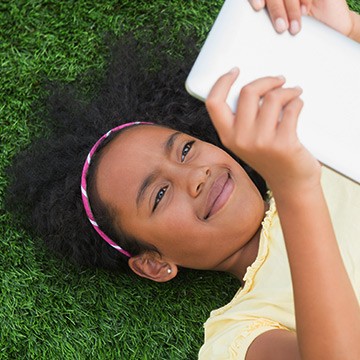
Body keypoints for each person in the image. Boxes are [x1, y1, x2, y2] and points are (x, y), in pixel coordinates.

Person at [5, 0, 360, 359]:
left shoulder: (319, 144)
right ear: (154, 263)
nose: (195, 177)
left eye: (186, 150)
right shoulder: (239, 331)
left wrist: (348, 32)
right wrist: (295, 189)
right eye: (159, 194)